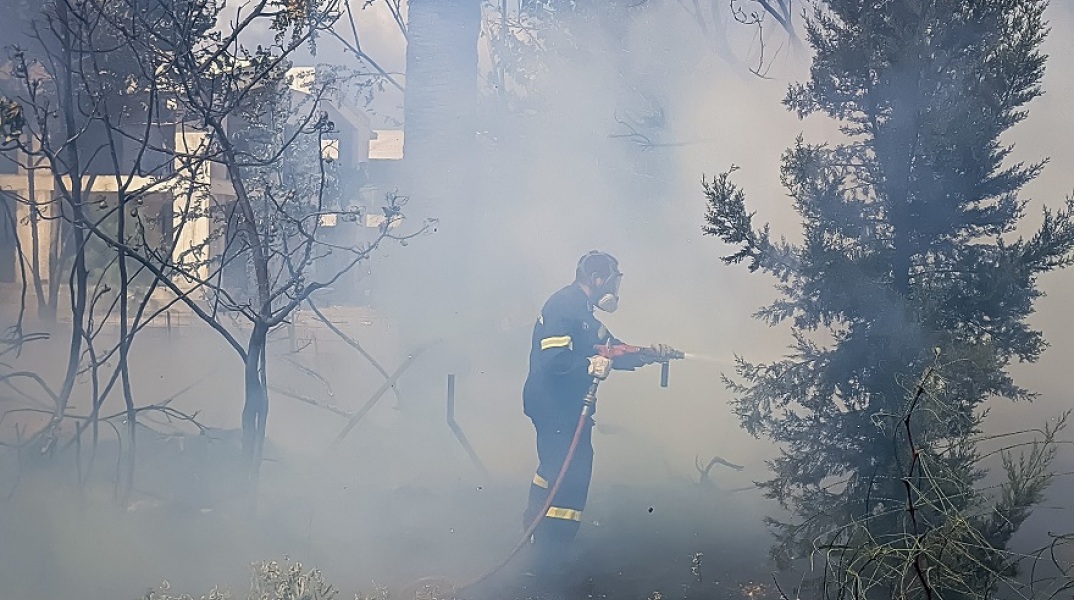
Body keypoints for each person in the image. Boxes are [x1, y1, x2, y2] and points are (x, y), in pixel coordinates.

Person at [521, 250, 674, 591]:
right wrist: (587, 366)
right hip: (555, 406)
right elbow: (554, 359)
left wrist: (648, 353)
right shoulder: (563, 305)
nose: (617, 288)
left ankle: (535, 532)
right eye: (615, 279)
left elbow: (610, 347)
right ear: (597, 278)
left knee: (552, 468)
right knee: (571, 473)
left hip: (560, 406)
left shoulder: (583, 312)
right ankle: (553, 558)